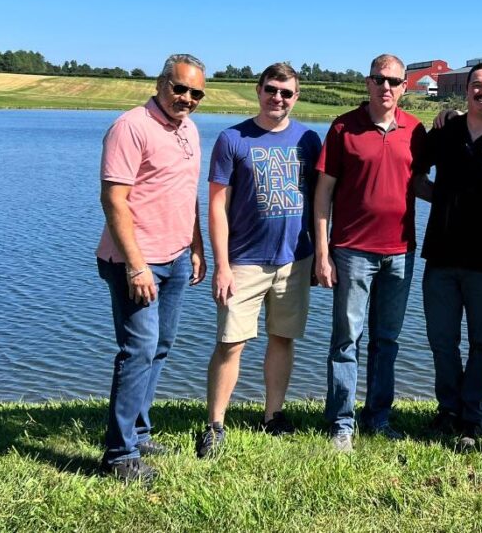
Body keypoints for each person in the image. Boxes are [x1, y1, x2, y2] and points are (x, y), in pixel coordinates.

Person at [195, 63, 322, 458]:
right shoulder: (233, 139)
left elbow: (321, 201)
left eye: (286, 92)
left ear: (296, 97)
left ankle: (273, 415)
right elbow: (217, 205)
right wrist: (221, 263)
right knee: (231, 342)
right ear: (258, 90)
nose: (278, 98)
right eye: (271, 89)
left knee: (282, 338)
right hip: (244, 261)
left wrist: (320, 252)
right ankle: (215, 424)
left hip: (295, 260)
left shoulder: (309, 140)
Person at [96, 54, 208, 484]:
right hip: (136, 262)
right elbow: (114, 200)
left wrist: (196, 246)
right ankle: (118, 456)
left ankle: (138, 432)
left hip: (177, 256)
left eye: (196, 92)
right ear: (162, 83)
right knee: (137, 351)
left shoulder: (190, 130)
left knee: (159, 347)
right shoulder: (131, 126)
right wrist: (137, 266)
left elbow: (186, 192)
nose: (187, 99)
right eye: (179, 88)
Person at [314, 53, 427, 452]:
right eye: (379, 79)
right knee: (347, 338)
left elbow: (420, 183)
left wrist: (463, 198)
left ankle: (377, 417)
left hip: (400, 252)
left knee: (387, 339)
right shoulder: (344, 127)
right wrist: (323, 253)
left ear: (404, 87)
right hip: (351, 251)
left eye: (394, 81)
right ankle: (341, 421)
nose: (386, 87)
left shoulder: (415, 129)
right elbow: (323, 192)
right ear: (368, 82)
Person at [415, 63, 482, 451]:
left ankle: (472, 419)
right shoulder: (446, 131)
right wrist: (441, 199)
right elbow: (416, 177)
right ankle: (447, 409)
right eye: (477, 85)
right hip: (440, 254)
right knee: (441, 340)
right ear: (467, 91)